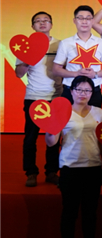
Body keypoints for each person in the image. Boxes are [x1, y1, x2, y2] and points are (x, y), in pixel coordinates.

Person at [44, 76, 102, 238]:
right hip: (70, 167)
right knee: (69, 212)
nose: (83, 94)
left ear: (92, 93)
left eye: (87, 90)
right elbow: (51, 142)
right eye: (79, 89)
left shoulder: (98, 112)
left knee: (90, 212)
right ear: (71, 91)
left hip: (93, 166)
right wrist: (51, 128)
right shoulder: (62, 112)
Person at [17, 11, 62, 187]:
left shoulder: (60, 44)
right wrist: (28, 59)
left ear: (51, 24)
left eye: (46, 20)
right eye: (38, 21)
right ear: (32, 26)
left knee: (54, 138)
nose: (42, 23)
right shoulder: (25, 47)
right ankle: (31, 173)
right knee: (30, 137)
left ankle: (51, 172)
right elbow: (19, 73)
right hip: (33, 97)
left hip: (56, 97)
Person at [53, 5, 102, 108]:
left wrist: (95, 74)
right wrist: (76, 74)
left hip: (94, 90)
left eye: (88, 18)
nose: (84, 21)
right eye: (80, 18)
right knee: (69, 118)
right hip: (71, 90)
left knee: (95, 118)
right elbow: (56, 69)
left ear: (92, 21)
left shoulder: (101, 43)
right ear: (74, 21)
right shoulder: (65, 43)